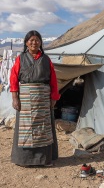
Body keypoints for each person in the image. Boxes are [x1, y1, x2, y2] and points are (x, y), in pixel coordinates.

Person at [10, 30, 60, 167]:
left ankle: (44, 159)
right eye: (31, 40)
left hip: (43, 98)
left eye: (37, 40)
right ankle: (24, 160)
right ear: (26, 42)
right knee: (26, 128)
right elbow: (13, 78)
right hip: (25, 98)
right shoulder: (20, 58)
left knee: (44, 129)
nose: (34, 42)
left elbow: (53, 80)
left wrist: (54, 97)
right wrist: (15, 97)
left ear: (41, 42)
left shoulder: (46, 59)